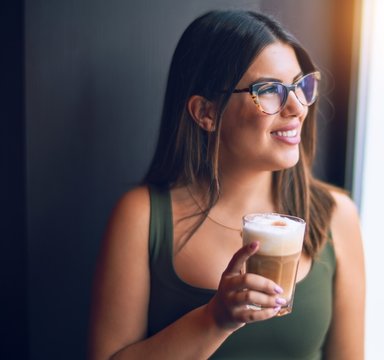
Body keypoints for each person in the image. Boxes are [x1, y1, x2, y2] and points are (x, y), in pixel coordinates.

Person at [88, 9, 365, 360]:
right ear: (205, 112)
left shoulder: (336, 215)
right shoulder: (142, 216)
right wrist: (214, 318)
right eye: (269, 91)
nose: (297, 108)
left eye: (300, 86)